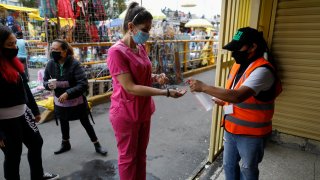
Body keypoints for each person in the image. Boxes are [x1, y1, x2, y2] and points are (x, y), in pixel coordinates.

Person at [188, 27, 282, 180]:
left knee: (248, 170)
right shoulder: (239, 64)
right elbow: (232, 91)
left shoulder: (263, 70)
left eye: (238, 48)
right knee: (229, 165)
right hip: (231, 129)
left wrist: (204, 87)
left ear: (252, 47)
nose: (234, 52)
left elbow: (238, 96)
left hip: (252, 135)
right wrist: (223, 100)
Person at [107, 2, 186, 180]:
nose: (148, 34)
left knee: (141, 155)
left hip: (143, 110)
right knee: (128, 158)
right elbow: (130, 87)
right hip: (126, 113)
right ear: (131, 27)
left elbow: (140, 76)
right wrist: (165, 92)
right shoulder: (116, 52)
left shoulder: (140, 48)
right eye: (145, 29)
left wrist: (156, 77)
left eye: (150, 29)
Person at [0, 25, 59, 180]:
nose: (14, 47)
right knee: (13, 155)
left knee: (36, 142)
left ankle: (38, 175)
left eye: (14, 43)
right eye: (9, 45)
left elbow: (24, 86)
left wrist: (34, 110)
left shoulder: (13, 62)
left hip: (23, 112)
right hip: (5, 121)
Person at [43, 39, 107, 156]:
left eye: (56, 50)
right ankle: (65, 143)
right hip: (60, 102)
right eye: (52, 49)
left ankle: (97, 144)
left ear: (65, 51)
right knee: (63, 122)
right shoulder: (50, 64)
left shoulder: (74, 64)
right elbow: (45, 80)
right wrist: (48, 85)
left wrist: (68, 93)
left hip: (76, 101)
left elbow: (83, 83)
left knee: (86, 122)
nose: (53, 52)